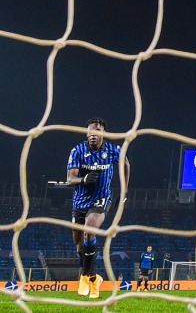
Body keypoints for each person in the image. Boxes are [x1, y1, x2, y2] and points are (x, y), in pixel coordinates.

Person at [67, 117, 129, 300]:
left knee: (90, 230)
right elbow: (70, 179)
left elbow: (125, 163)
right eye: (90, 131)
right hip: (80, 202)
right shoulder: (77, 151)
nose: (93, 135)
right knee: (79, 247)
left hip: (101, 199)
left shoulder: (112, 150)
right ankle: (95, 278)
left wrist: (124, 191)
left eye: (97, 131)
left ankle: (84, 277)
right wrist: (83, 180)